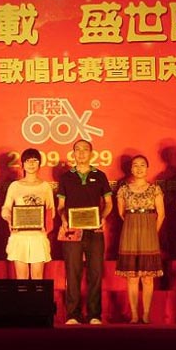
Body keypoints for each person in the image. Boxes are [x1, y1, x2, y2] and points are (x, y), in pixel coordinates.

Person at [57, 139, 113, 325]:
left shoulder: (100, 175)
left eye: (85, 149)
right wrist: (64, 219)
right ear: (73, 153)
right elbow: (61, 206)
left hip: (95, 230)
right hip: (72, 231)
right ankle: (73, 315)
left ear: (91, 153)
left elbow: (108, 203)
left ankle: (94, 314)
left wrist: (102, 218)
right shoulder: (66, 177)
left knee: (95, 273)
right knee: (72, 272)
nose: (81, 153)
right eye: (77, 150)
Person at [115, 155, 165, 324]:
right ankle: (135, 314)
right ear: (131, 169)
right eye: (135, 165)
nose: (139, 168)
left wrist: (152, 232)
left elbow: (161, 215)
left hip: (149, 234)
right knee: (132, 277)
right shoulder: (123, 190)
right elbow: (122, 214)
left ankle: (146, 314)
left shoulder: (155, 189)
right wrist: (134, 225)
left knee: (148, 277)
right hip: (130, 233)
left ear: (147, 168)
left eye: (142, 165)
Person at [2, 148, 55, 279]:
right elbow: (6, 209)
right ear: (23, 164)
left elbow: (51, 210)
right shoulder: (15, 186)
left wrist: (46, 225)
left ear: (40, 164)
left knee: (38, 276)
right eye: (27, 161)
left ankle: (36, 295)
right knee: (22, 277)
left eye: (35, 160)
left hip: (38, 236)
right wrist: (10, 220)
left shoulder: (45, 186)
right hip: (19, 236)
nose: (31, 164)